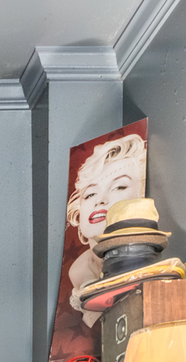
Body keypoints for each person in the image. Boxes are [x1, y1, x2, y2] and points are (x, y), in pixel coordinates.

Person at [64, 134, 147, 328]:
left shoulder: (143, 269)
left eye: (118, 187)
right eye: (91, 193)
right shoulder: (77, 271)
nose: (100, 200)